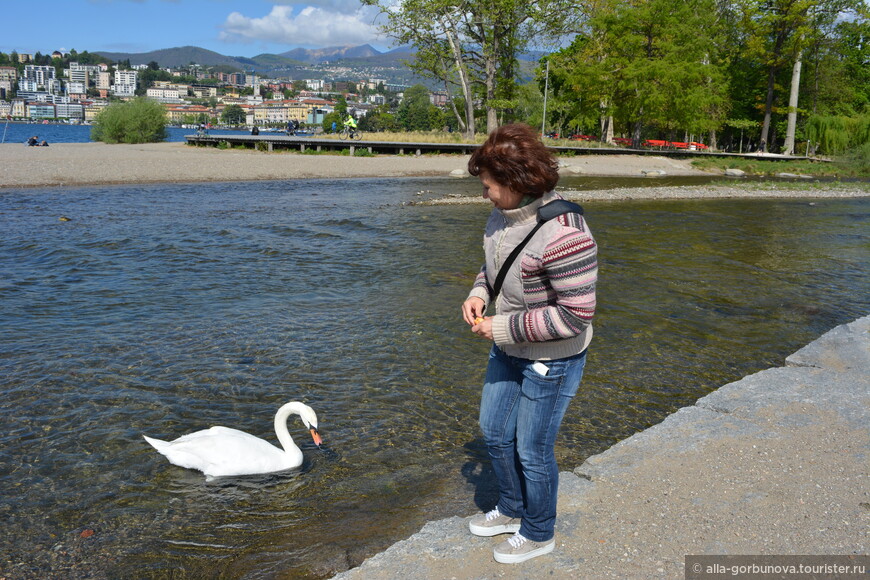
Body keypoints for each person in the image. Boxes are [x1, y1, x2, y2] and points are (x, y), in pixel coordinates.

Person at [461, 123, 597, 564]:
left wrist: (500, 327)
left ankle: (539, 532)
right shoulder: (502, 217)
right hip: (510, 346)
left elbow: (575, 316)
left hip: (553, 359)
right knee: (495, 433)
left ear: (516, 183)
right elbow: (494, 267)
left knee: (532, 450)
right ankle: (511, 509)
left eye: (488, 185)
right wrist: (478, 293)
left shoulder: (565, 235)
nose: (484, 193)